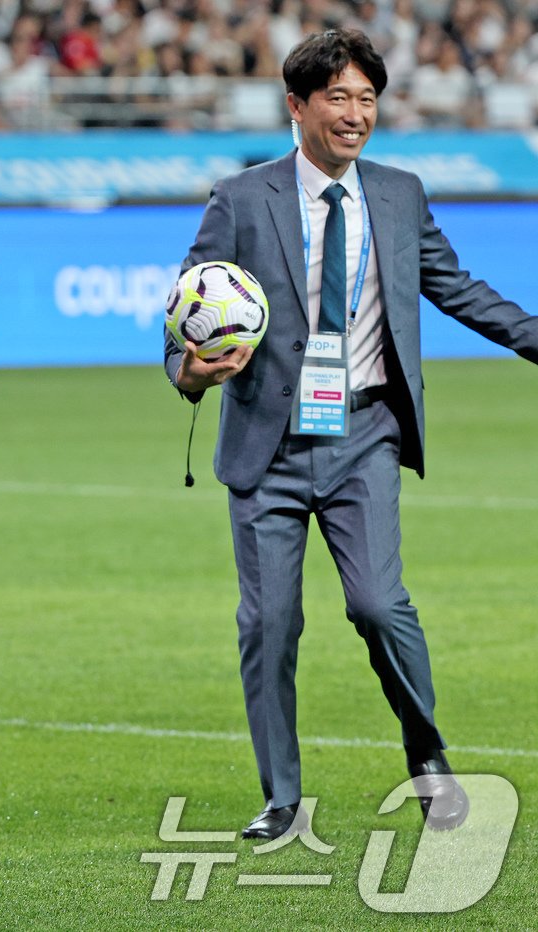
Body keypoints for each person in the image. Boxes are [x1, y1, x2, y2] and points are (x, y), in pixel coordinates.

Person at [165, 28, 538, 841]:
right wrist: (189, 373)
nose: (355, 113)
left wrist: (532, 337)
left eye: (367, 98)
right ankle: (281, 799)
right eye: (338, 96)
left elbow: (455, 286)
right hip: (267, 443)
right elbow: (190, 308)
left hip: (365, 434)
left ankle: (428, 756)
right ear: (297, 106)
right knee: (269, 624)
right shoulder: (240, 198)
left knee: (377, 604)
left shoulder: (399, 194)